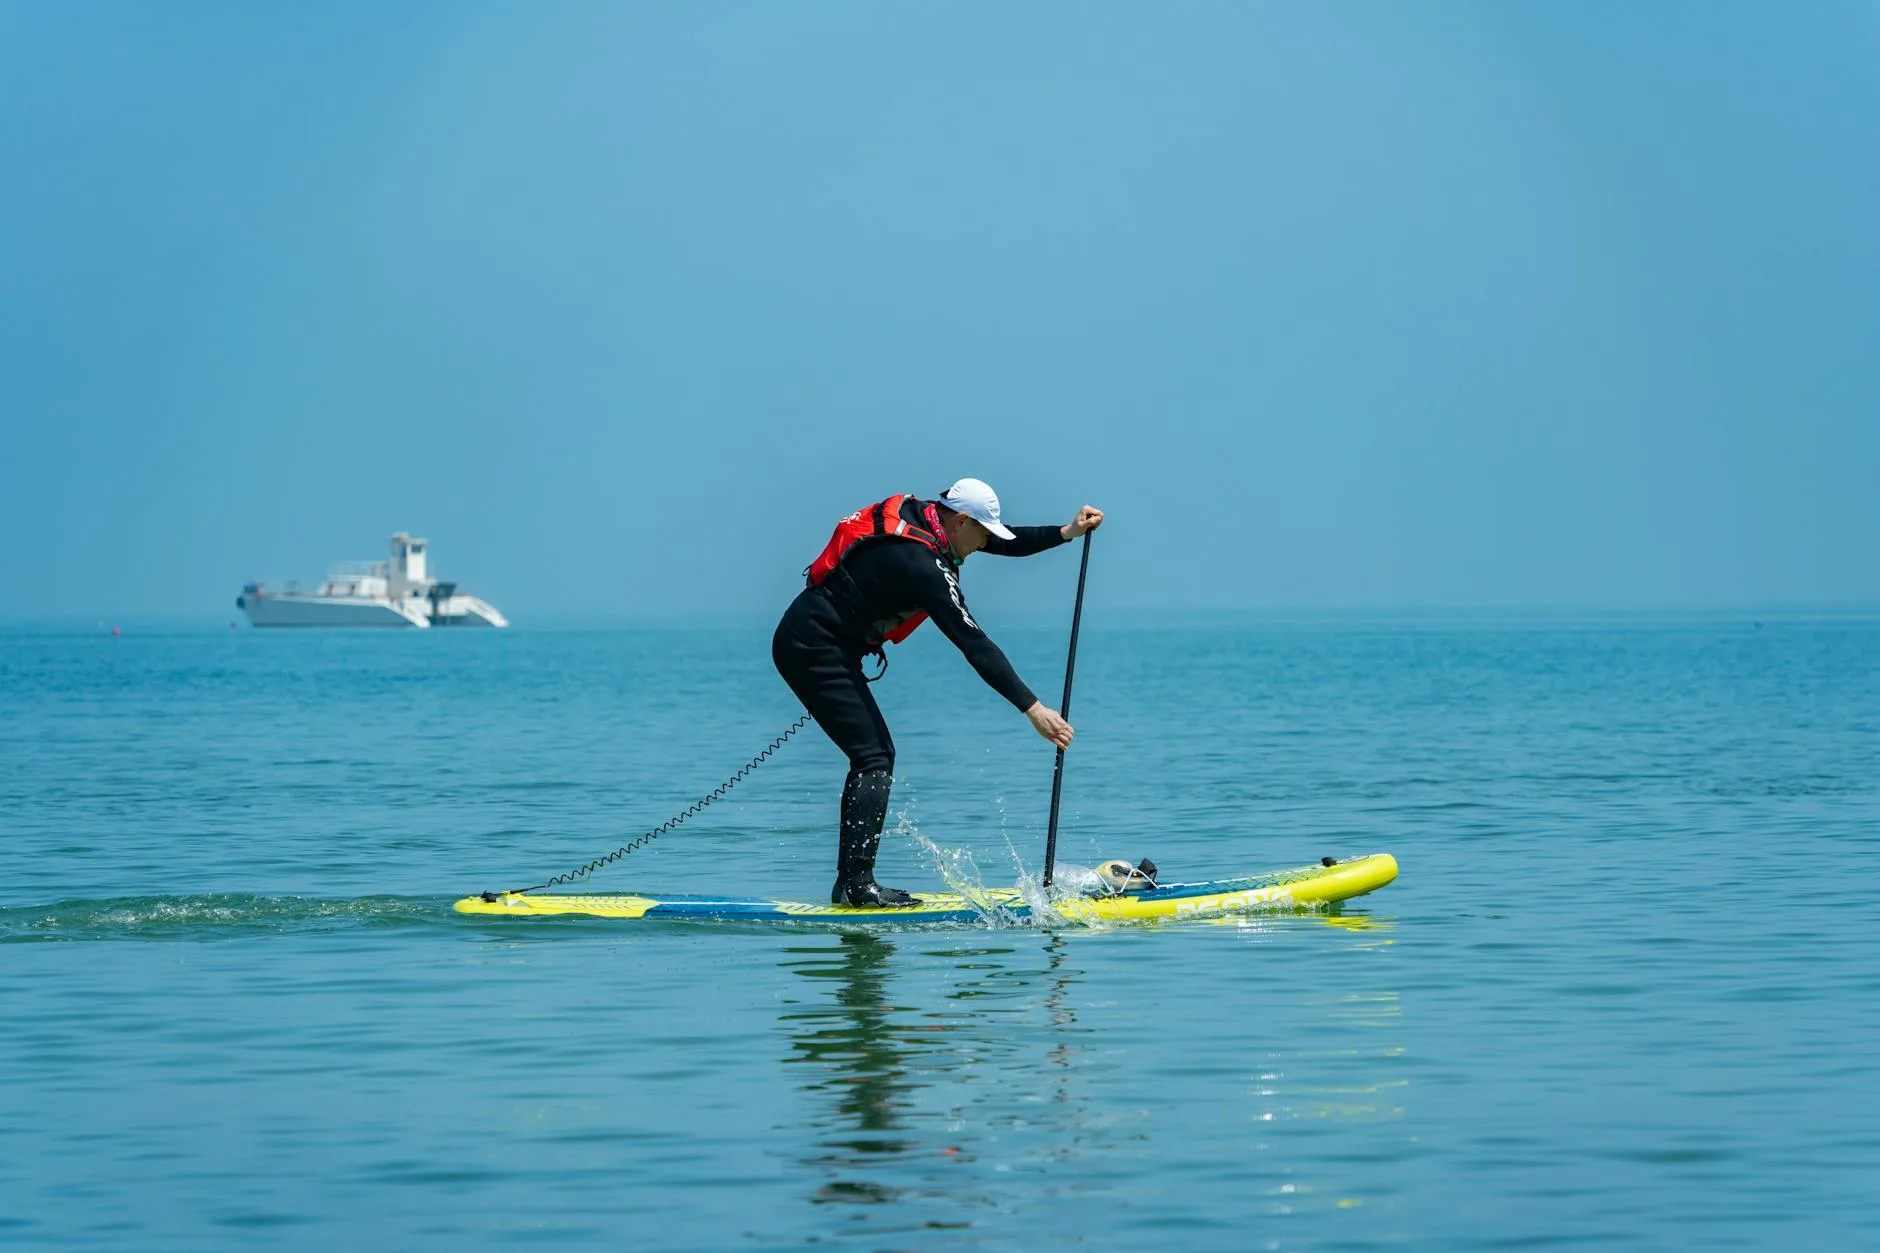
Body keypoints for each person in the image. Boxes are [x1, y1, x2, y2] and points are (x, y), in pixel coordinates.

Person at [773, 478, 1105, 907]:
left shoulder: (933, 520)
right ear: (962, 520)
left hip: (824, 644)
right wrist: (1033, 709)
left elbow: (1004, 541)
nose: (984, 544)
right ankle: (855, 886)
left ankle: (852, 883)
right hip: (812, 649)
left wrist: (1066, 532)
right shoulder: (921, 564)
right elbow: (974, 643)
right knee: (874, 756)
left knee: (874, 754)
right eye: (982, 533)